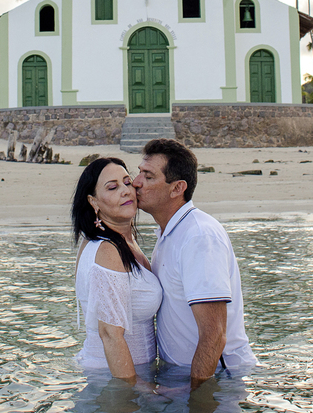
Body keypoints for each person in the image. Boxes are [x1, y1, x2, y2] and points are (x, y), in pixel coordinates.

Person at [131, 138, 257, 387]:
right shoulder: (171, 233)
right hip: (184, 378)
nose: (136, 183)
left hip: (218, 380)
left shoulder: (199, 236)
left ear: (177, 188)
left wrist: (197, 399)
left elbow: (214, 334)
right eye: (139, 173)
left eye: (148, 176)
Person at [71, 156, 162, 383]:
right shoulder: (107, 250)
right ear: (94, 202)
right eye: (112, 187)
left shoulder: (118, 241)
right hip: (115, 381)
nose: (125, 191)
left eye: (127, 182)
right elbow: (111, 335)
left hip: (128, 375)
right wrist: (139, 392)